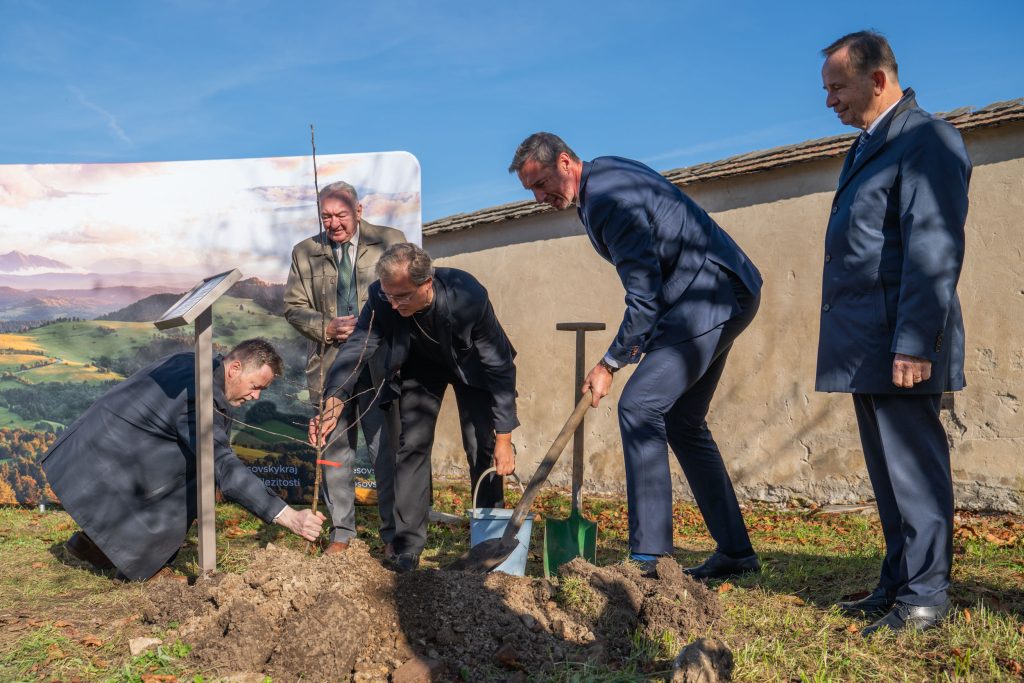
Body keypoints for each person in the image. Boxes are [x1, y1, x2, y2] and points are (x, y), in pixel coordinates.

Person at [511, 132, 763, 579]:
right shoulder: (602, 180)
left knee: (640, 405)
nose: (539, 196)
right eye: (531, 189)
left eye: (543, 182)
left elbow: (643, 294)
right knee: (682, 420)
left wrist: (610, 362)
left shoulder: (607, 199)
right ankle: (735, 552)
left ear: (566, 162)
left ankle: (649, 558)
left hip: (710, 294)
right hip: (713, 292)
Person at [817, 31, 970, 635]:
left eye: (837, 87)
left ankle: (927, 595)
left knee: (914, 470)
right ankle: (899, 581)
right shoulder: (868, 146)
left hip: (898, 340)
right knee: (887, 472)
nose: (829, 101)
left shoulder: (926, 139)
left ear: (877, 79)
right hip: (866, 340)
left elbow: (933, 245)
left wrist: (914, 340)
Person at [309, 243, 518, 572]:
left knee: (482, 445)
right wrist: (336, 395)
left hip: (472, 368)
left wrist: (504, 437)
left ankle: (489, 544)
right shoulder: (382, 295)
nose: (394, 303)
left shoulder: (468, 296)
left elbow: (500, 367)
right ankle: (406, 547)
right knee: (411, 447)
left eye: (403, 296)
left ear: (427, 283)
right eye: (390, 296)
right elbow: (360, 344)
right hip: (420, 368)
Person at [41, 339, 325, 581]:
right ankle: (143, 562)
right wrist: (288, 515)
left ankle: (96, 545)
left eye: (262, 389)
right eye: (255, 385)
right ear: (234, 368)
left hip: (99, 442)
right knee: (195, 474)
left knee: (191, 467)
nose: (256, 395)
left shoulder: (196, 363)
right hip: (110, 453)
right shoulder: (199, 396)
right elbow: (222, 464)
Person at [284, 180, 405, 556]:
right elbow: (293, 306)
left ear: (358, 211)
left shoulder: (391, 240)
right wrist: (326, 326)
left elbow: (409, 290)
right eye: (325, 216)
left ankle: (392, 534)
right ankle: (341, 533)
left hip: (379, 364)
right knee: (335, 451)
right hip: (328, 367)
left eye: (340, 215)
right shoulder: (305, 252)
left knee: (385, 451)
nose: (333, 223)